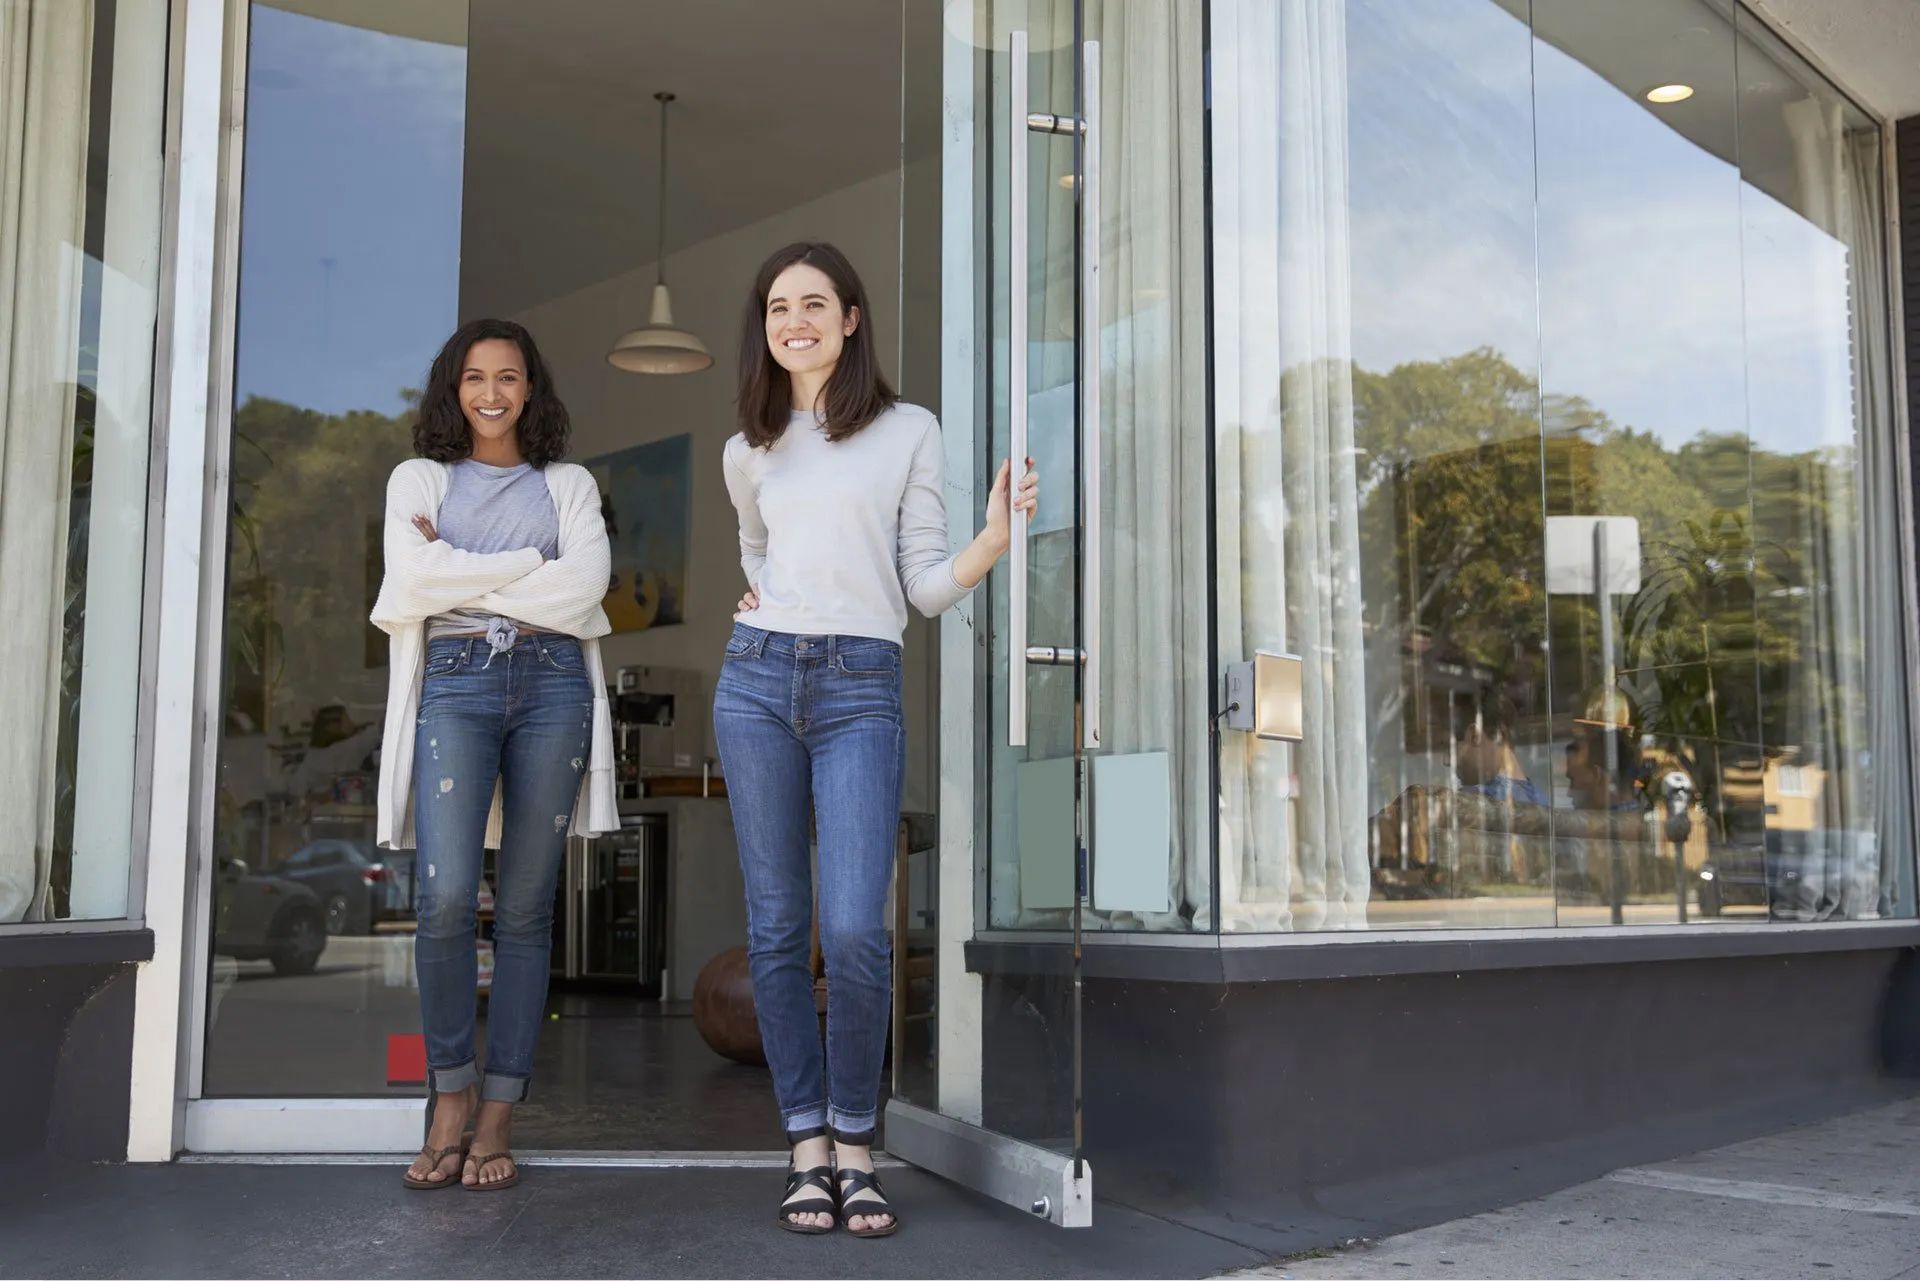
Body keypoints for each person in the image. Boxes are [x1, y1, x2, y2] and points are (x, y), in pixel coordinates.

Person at [716, 242, 1037, 1237]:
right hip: (756, 682)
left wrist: (988, 542)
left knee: (853, 931)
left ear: (852, 318)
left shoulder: (906, 431)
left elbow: (924, 587)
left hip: (861, 686)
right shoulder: (750, 445)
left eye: (815, 303)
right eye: (778, 306)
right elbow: (757, 550)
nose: (794, 320)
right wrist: (765, 597)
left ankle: (858, 1141)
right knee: (777, 931)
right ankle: (807, 1145)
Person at [368, 318, 617, 1192]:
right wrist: (523, 564)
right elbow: (408, 582)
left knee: (524, 910)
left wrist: (459, 563)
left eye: (509, 377)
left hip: (551, 687)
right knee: (441, 900)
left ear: (531, 390)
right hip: (458, 685)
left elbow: (584, 592)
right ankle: (450, 1092)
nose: (491, 393)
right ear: (453, 387)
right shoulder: (419, 477)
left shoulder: (570, 483)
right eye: (475, 377)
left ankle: (500, 1109)